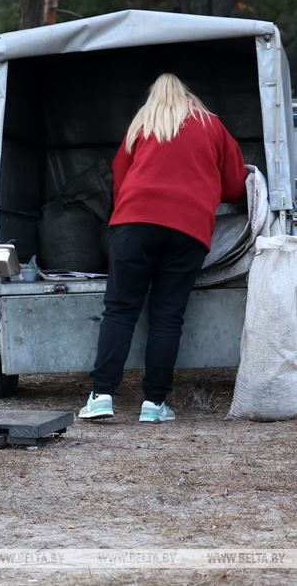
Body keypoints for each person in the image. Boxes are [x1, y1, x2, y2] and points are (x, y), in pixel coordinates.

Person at [78, 73, 247, 424]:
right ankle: (154, 404)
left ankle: (101, 396)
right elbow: (234, 183)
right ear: (190, 96)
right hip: (189, 229)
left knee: (120, 310)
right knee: (168, 315)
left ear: (152, 97)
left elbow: (120, 179)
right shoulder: (211, 125)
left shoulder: (142, 123)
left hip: (134, 224)